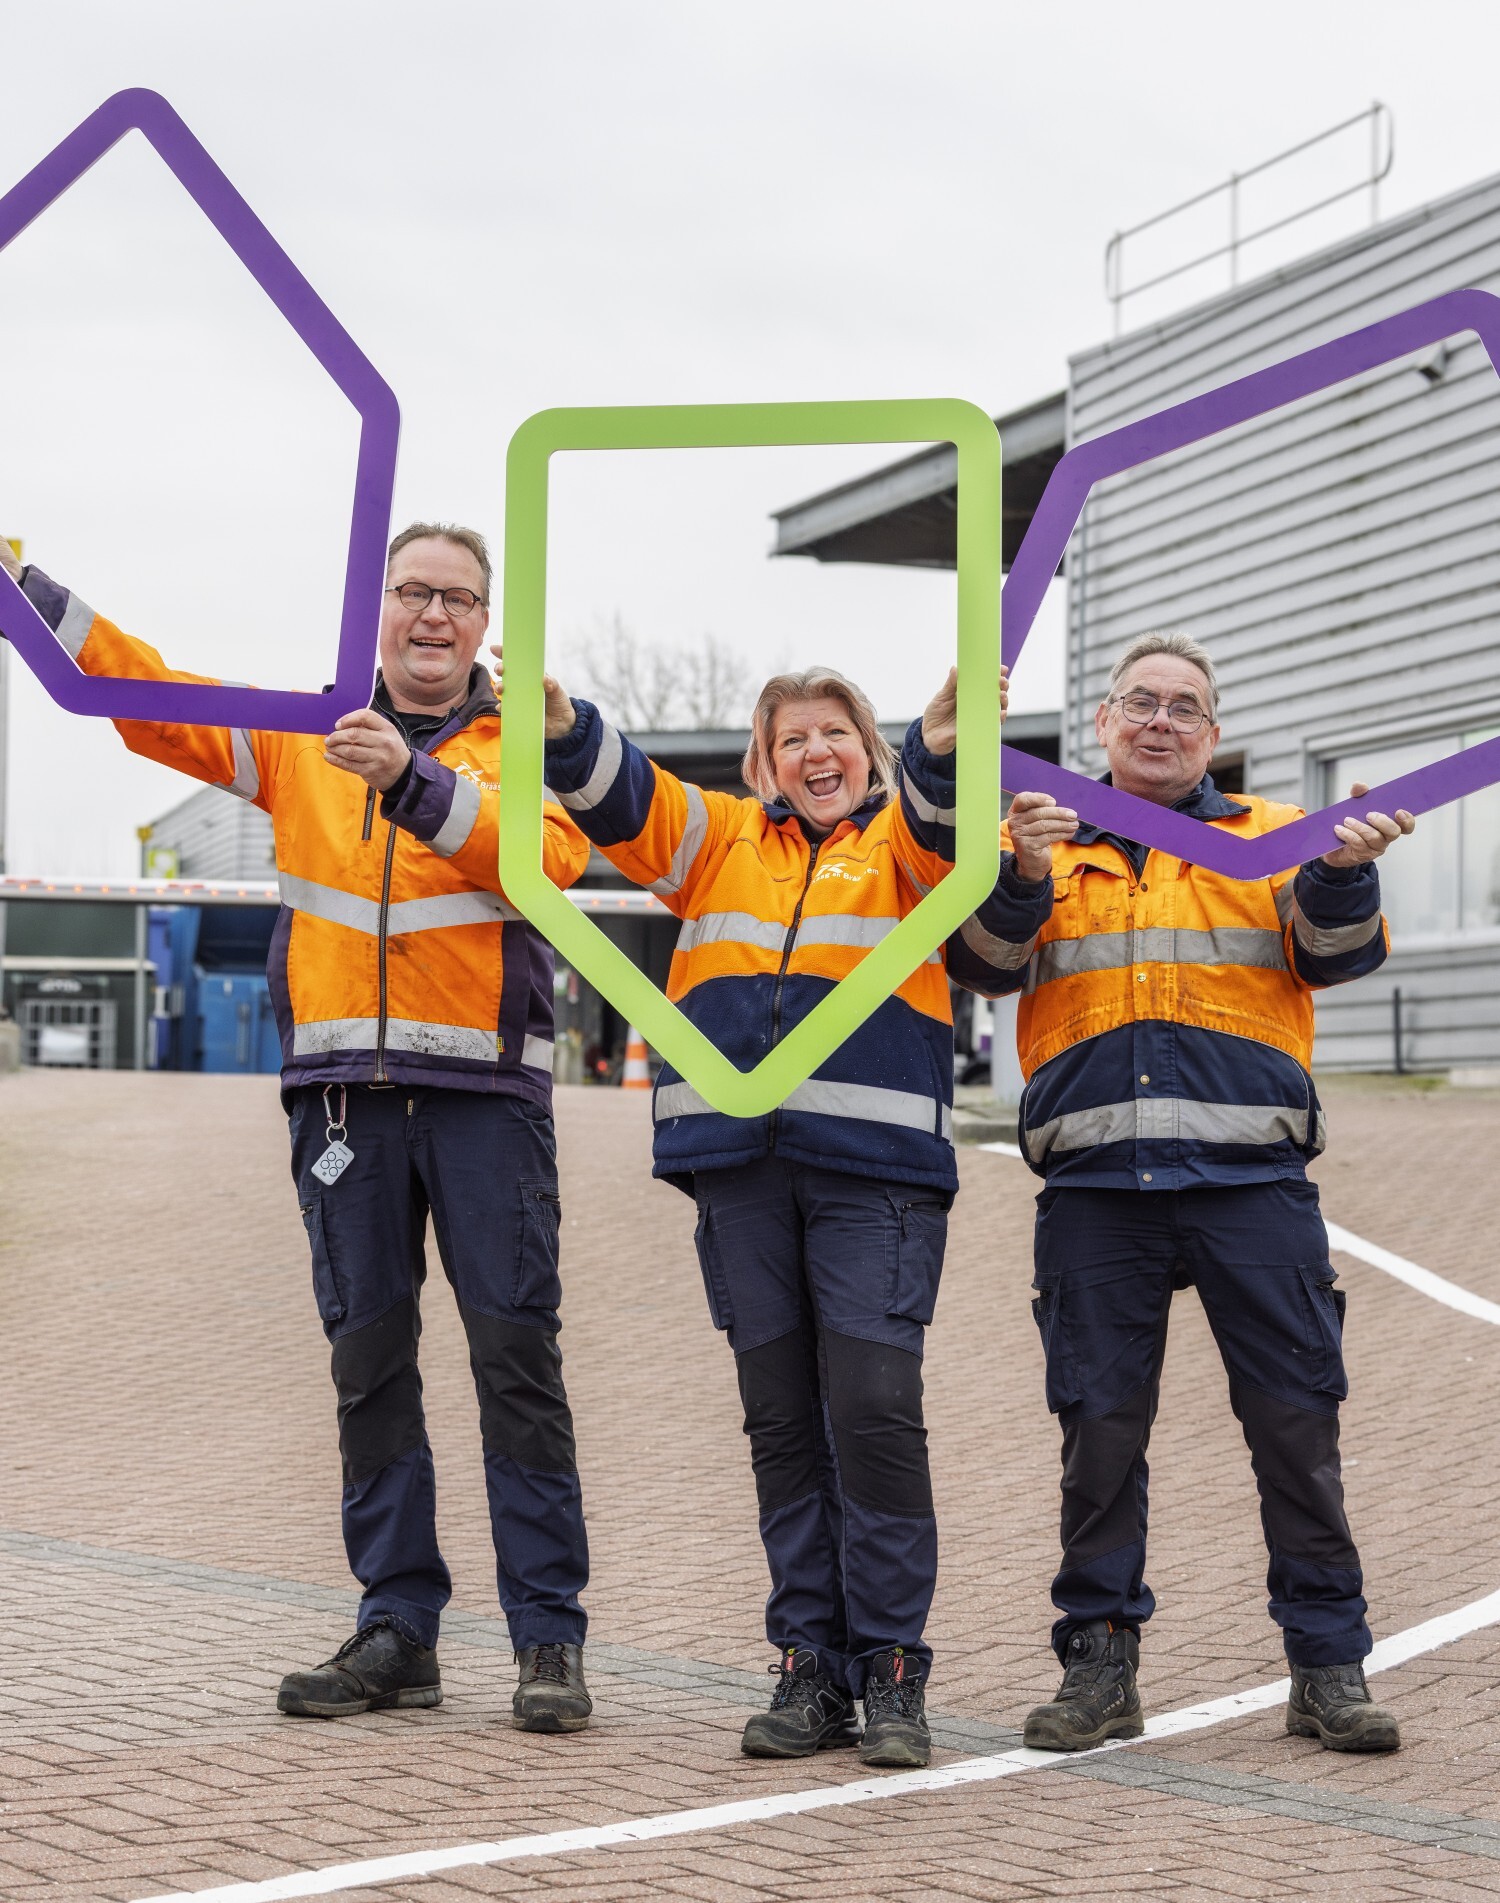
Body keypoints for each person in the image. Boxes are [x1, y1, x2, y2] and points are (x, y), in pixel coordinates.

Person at [0, 527, 596, 1733]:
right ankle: (397, 1627)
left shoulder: (524, 746)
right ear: (378, 606)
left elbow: (551, 858)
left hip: (487, 1104)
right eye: (415, 591)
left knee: (515, 1366)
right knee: (367, 1366)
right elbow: (146, 697)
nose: (435, 615)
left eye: (459, 599)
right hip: (340, 1103)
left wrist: (412, 785)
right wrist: (25, 586)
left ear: (486, 624)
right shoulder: (302, 729)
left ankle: (547, 1640)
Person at [522, 645, 1006, 1769]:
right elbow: (631, 800)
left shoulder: (905, 844)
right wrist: (561, 724)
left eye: (835, 733)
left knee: (874, 1414)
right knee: (783, 1427)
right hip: (741, 1171)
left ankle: (890, 1668)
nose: (814, 753)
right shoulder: (721, 842)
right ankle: (807, 1665)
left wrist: (937, 745)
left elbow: (943, 826)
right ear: (764, 760)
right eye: (792, 739)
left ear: (868, 750)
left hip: (874, 1176)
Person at [948, 630, 1414, 1756]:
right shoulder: (1038, 842)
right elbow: (981, 965)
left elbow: (1337, 954)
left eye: (1185, 707)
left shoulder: (1274, 840)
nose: (1161, 721)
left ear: (1213, 733)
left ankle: (1327, 1666)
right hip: (1098, 1193)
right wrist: (1016, 875)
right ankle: (1099, 1666)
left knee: (1295, 1430)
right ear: (1103, 723)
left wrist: (1345, 868)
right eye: (1140, 702)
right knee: (1098, 1437)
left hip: (1253, 1185)